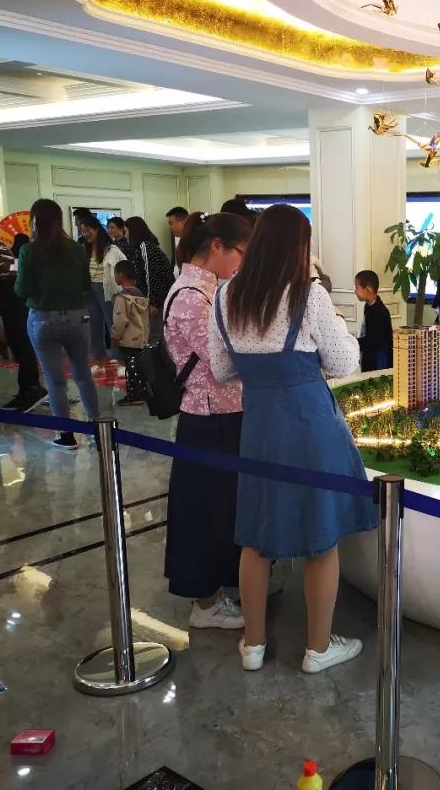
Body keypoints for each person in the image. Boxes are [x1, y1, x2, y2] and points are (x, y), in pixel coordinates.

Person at [209, 204, 374, 673]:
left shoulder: (226, 296)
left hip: (259, 428)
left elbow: (221, 370)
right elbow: (344, 364)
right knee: (321, 538)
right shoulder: (309, 295)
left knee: (256, 536)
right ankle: (318, 649)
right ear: (299, 247)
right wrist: (339, 326)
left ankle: (253, 645)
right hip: (310, 425)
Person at [165, 212, 252, 630]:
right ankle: (206, 602)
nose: (242, 263)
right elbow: (223, 363)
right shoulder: (190, 296)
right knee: (203, 510)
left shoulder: (211, 288)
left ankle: (235, 581)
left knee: (226, 506)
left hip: (228, 413)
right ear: (217, 246)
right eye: (241, 253)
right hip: (206, 417)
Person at [15, 198, 100, 449]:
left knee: (55, 380)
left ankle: (66, 435)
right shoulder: (76, 249)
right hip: (77, 317)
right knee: (83, 375)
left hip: (43, 318)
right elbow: (85, 285)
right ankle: (98, 429)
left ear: (34, 221)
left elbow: (21, 289)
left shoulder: (29, 251)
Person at [0, 233, 47, 411]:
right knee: (21, 346)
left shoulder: (9, 264)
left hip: (19, 310)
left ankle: (32, 389)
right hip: (23, 310)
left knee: (23, 346)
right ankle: (27, 389)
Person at [79, 217, 125, 362]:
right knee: (93, 325)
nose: (85, 234)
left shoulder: (110, 248)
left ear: (97, 229)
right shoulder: (84, 248)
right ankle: (99, 359)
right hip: (89, 289)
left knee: (112, 323)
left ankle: (120, 359)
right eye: (82, 231)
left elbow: (123, 264)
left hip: (106, 288)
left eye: (88, 230)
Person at [124, 216, 176, 340]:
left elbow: (151, 275)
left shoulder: (146, 247)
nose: (125, 235)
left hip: (157, 300)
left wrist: (153, 303)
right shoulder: (144, 247)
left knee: (155, 335)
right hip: (155, 299)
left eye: (126, 231)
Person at [110, 260, 150, 407]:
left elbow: (120, 320)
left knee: (131, 368)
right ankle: (143, 392)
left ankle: (134, 395)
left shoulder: (122, 298)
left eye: (115, 273)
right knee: (140, 367)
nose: (114, 276)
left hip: (128, 339)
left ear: (121, 275)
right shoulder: (141, 296)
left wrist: (115, 335)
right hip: (141, 338)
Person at [355, 270, 393, 371]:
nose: (355, 291)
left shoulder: (380, 312)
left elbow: (374, 342)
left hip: (378, 361)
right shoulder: (368, 306)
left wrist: (354, 342)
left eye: (357, 287)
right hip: (369, 355)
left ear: (367, 290)